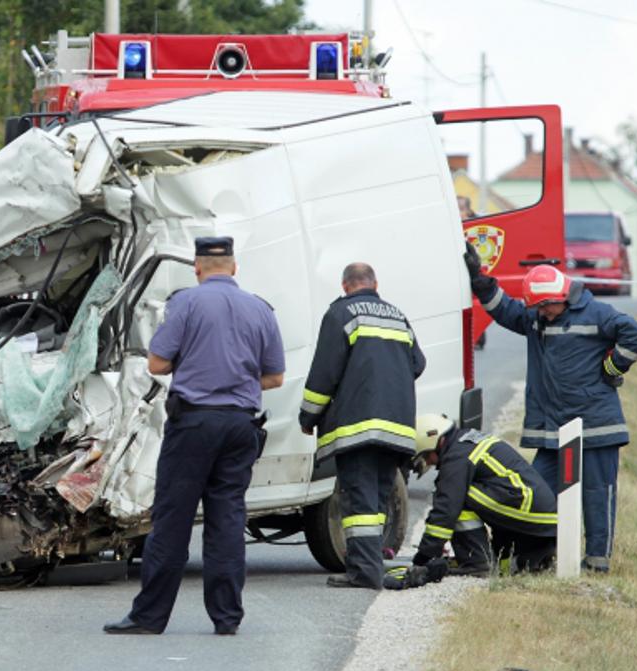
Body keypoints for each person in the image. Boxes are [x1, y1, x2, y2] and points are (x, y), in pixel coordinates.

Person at [104, 236, 285, 636]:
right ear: (234, 268)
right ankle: (227, 618)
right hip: (240, 426)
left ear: (197, 269)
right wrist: (235, 376)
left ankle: (149, 617)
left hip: (193, 426)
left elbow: (156, 362)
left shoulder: (185, 303)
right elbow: (275, 376)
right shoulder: (260, 309)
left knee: (172, 520)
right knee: (227, 519)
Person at [466, 244, 637, 573]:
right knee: (538, 494)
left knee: (597, 495)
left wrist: (612, 368)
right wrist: (479, 280)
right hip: (553, 429)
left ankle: (597, 562)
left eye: (544, 307)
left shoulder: (598, 314)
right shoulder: (537, 317)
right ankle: (536, 556)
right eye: (537, 308)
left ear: (559, 297)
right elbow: (505, 309)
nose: (541, 314)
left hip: (596, 425)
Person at [298, 263, 425, 589]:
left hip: (358, 428)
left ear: (345, 285)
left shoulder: (341, 315)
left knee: (359, 504)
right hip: (397, 429)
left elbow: (324, 374)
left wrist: (308, 417)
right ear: (375, 284)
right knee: (378, 499)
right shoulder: (397, 316)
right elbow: (418, 364)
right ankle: (370, 565)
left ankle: (363, 572)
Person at [386, 414, 558, 590]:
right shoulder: (463, 443)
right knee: (461, 494)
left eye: (426, 457)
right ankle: (510, 559)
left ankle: (475, 563)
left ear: (432, 444)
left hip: (531, 512)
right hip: (539, 519)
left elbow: (445, 512)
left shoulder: (456, 459)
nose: (428, 463)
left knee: (457, 498)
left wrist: (423, 557)